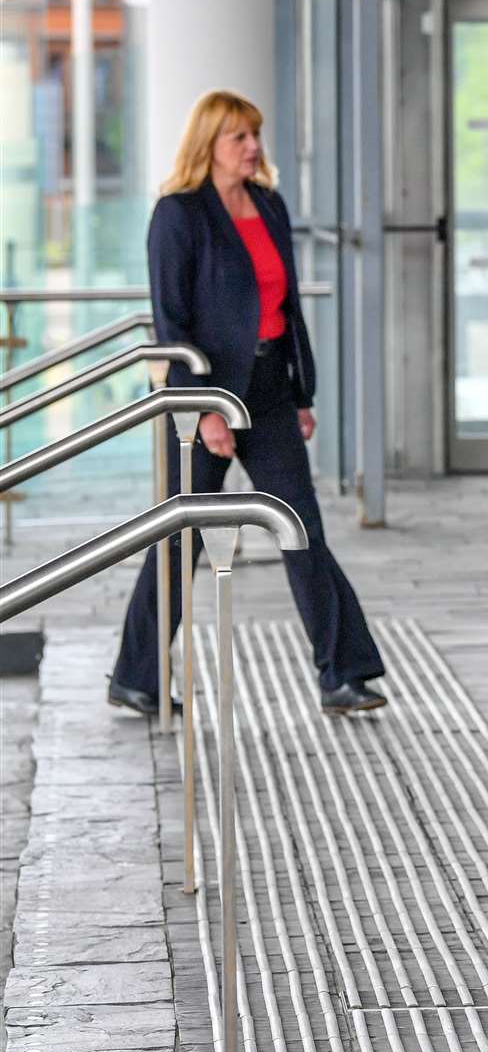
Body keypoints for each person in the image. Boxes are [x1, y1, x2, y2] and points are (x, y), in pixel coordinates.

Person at [107, 89, 386, 717]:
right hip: (204, 395)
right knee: (183, 538)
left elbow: (285, 313)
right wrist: (202, 409)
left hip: (267, 389)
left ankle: (343, 673)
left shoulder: (269, 205)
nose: (253, 147)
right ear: (208, 144)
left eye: (255, 135)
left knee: (301, 527)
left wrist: (300, 391)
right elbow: (169, 322)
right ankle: (138, 675)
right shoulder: (178, 215)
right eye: (239, 137)